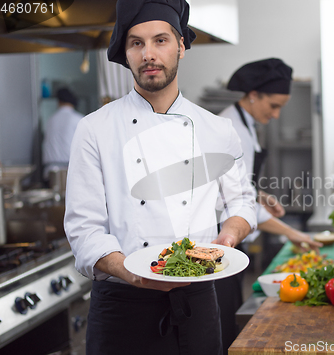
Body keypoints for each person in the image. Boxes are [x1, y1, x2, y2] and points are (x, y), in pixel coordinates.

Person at [63, 1, 257, 354]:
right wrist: (132, 272)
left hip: (197, 302)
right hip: (121, 308)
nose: (148, 54)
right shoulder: (94, 129)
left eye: (160, 40)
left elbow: (242, 201)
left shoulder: (218, 129)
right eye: (136, 43)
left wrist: (227, 239)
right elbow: (83, 228)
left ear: (181, 46)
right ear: (126, 52)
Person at [215, 58, 322, 353]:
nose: (275, 115)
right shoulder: (232, 128)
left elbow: (234, 184)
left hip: (231, 230)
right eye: (273, 106)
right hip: (221, 234)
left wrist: (260, 194)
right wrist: (293, 233)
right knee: (224, 321)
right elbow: (235, 202)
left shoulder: (244, 123)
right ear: (253, 94)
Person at [42, 87, 83, 179]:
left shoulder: (50, 120)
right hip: (72, 169)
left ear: (59, 102)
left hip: (51, 170)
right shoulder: (79, 119)